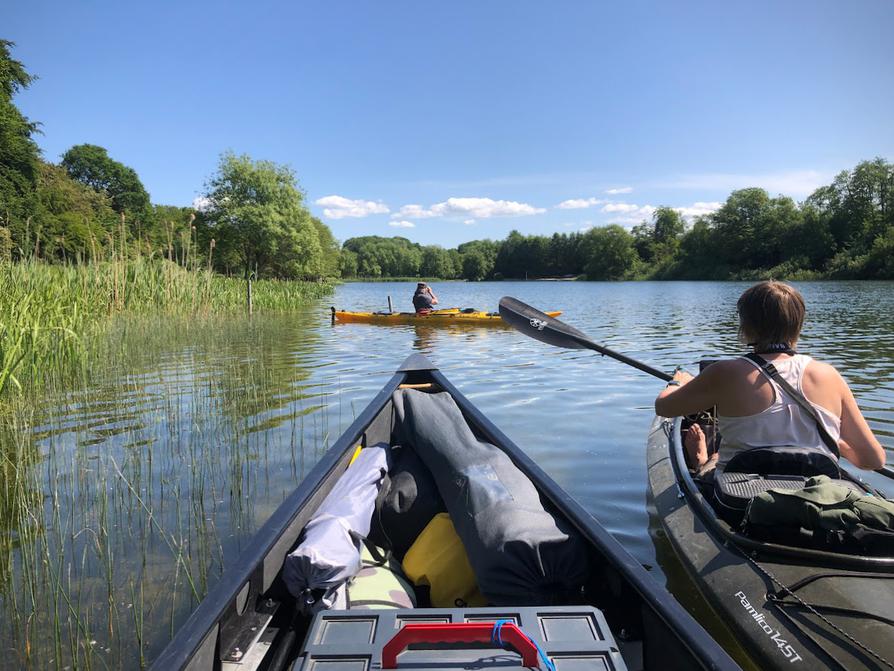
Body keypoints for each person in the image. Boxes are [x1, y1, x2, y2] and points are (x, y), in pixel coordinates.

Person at [655, 280, 885, 476]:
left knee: (712, 459)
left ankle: (703, 460)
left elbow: (664, 407)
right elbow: (874, 460)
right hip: (818, 500)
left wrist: (678, 382)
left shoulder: (724, 372)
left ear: (746, 326)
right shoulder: (828, 375)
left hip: (741, 504)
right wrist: (832, 442)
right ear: (798, 324)